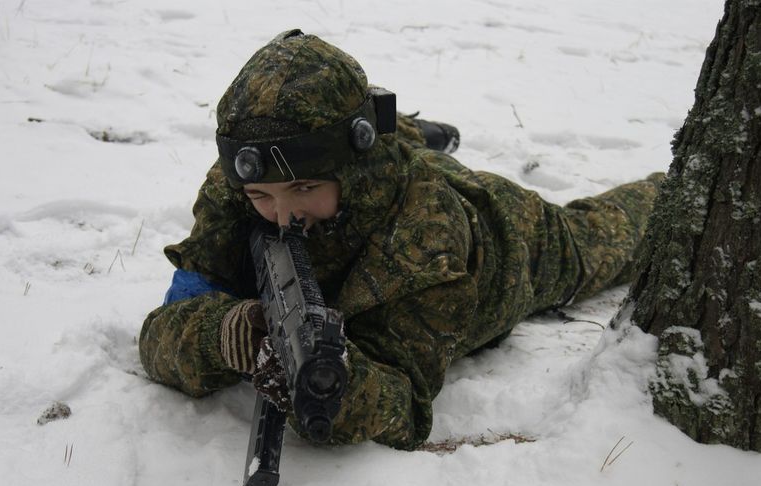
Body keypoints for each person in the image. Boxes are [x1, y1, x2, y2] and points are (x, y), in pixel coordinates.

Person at [139, 29, 662, 450]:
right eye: (262, 196)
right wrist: (226, 333)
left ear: (354, 162)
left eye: (304, 188)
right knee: (373, 145)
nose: (283, 215)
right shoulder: (245, 176)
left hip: (507, 239)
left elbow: (404, 407)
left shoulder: (425, 239)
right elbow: (164, 328)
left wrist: (331, 384)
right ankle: (411, 129)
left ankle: (673, 191)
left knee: (608, 234)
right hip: (379, 163)